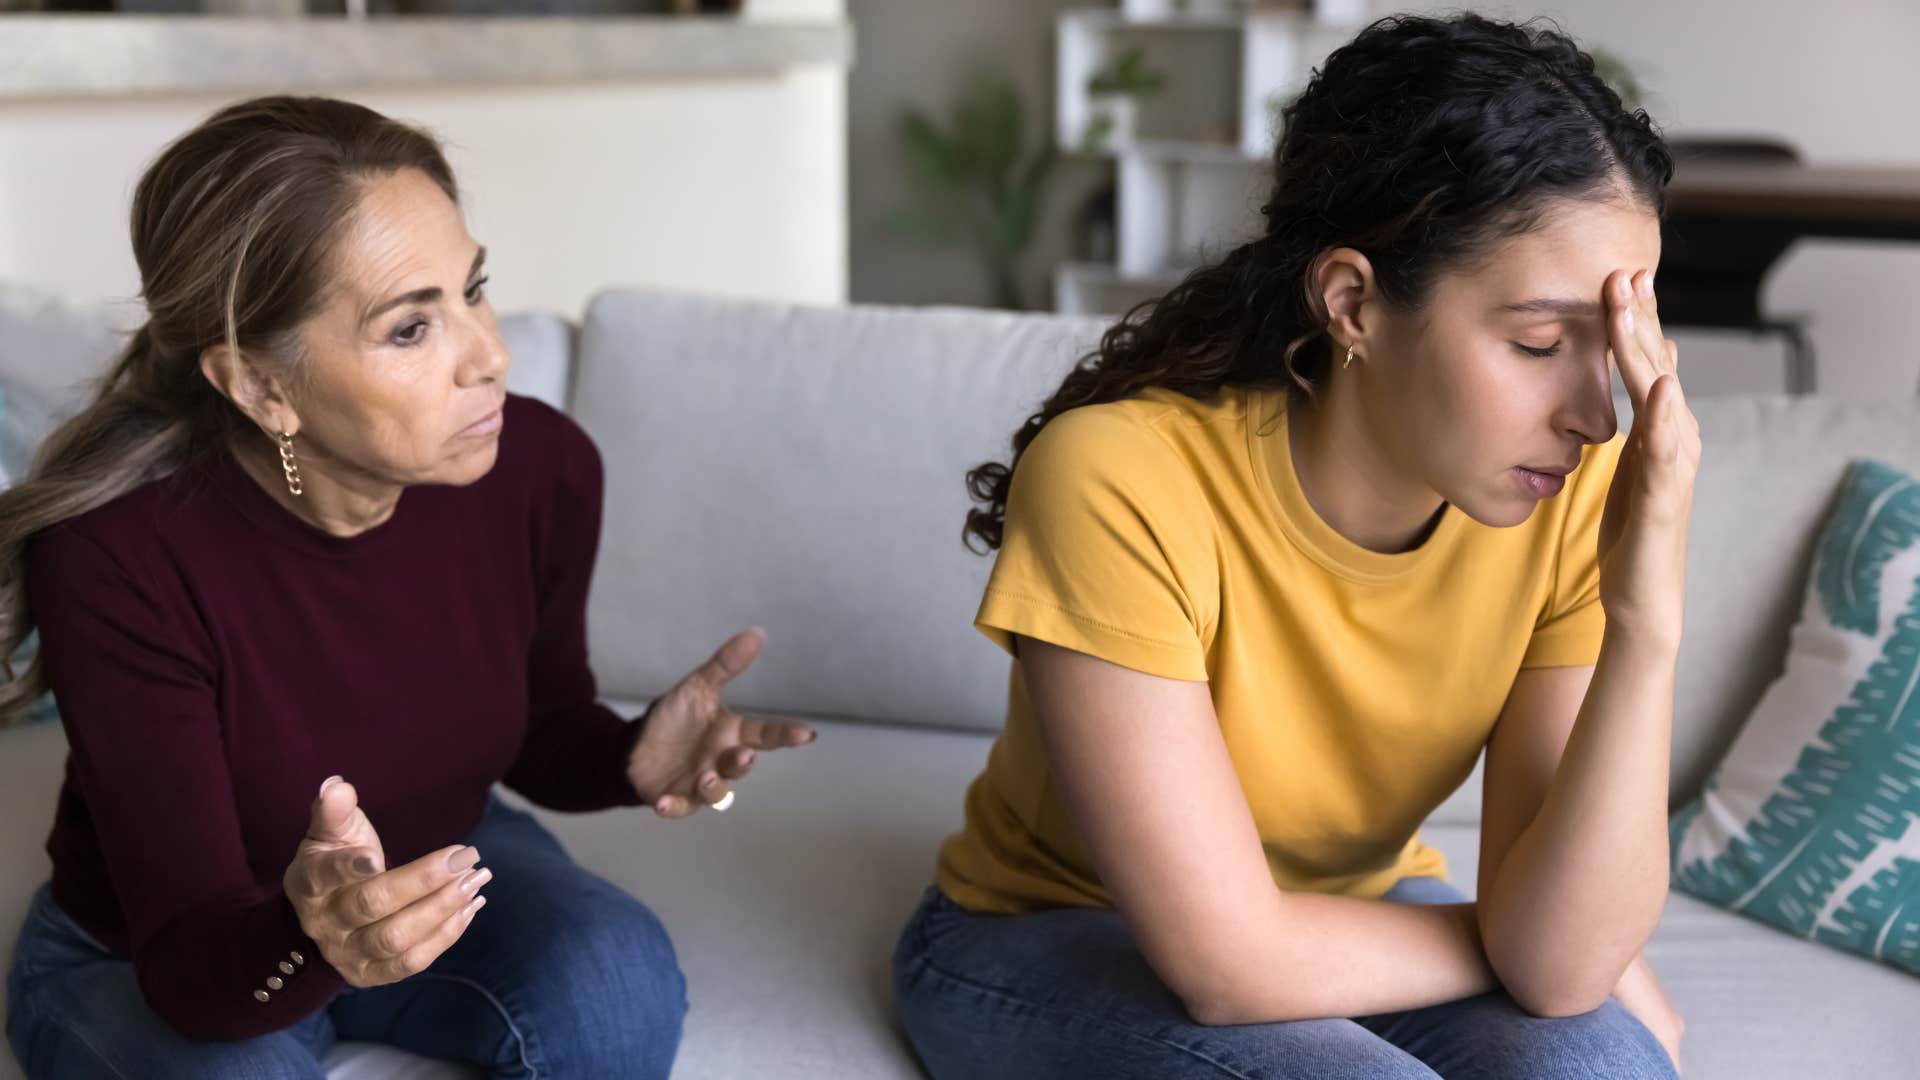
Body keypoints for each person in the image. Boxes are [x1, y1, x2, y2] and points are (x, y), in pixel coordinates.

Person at [895, 13, 1699, 1079]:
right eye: (1540, 342)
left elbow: (1559, 972)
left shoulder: (1571, 495)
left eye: (1618, 346)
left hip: (1350, 915)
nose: (1596, 417)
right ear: (1354, 303)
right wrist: (1531, 943)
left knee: (1600, 1064)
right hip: (1051, 931)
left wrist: (1647, 625)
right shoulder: (1120, 480)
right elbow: (1225, 966)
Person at [0, 95, 815, 1079]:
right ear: (262, 387)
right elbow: (188, 964)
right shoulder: (117, 557)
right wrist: (319, 942)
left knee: (616, 985)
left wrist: (626, 756)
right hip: (170, 957)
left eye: (474, 290)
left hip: (435, 867)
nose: (491, 356)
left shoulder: (539, 469)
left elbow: (539, 724)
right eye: (411, 329)